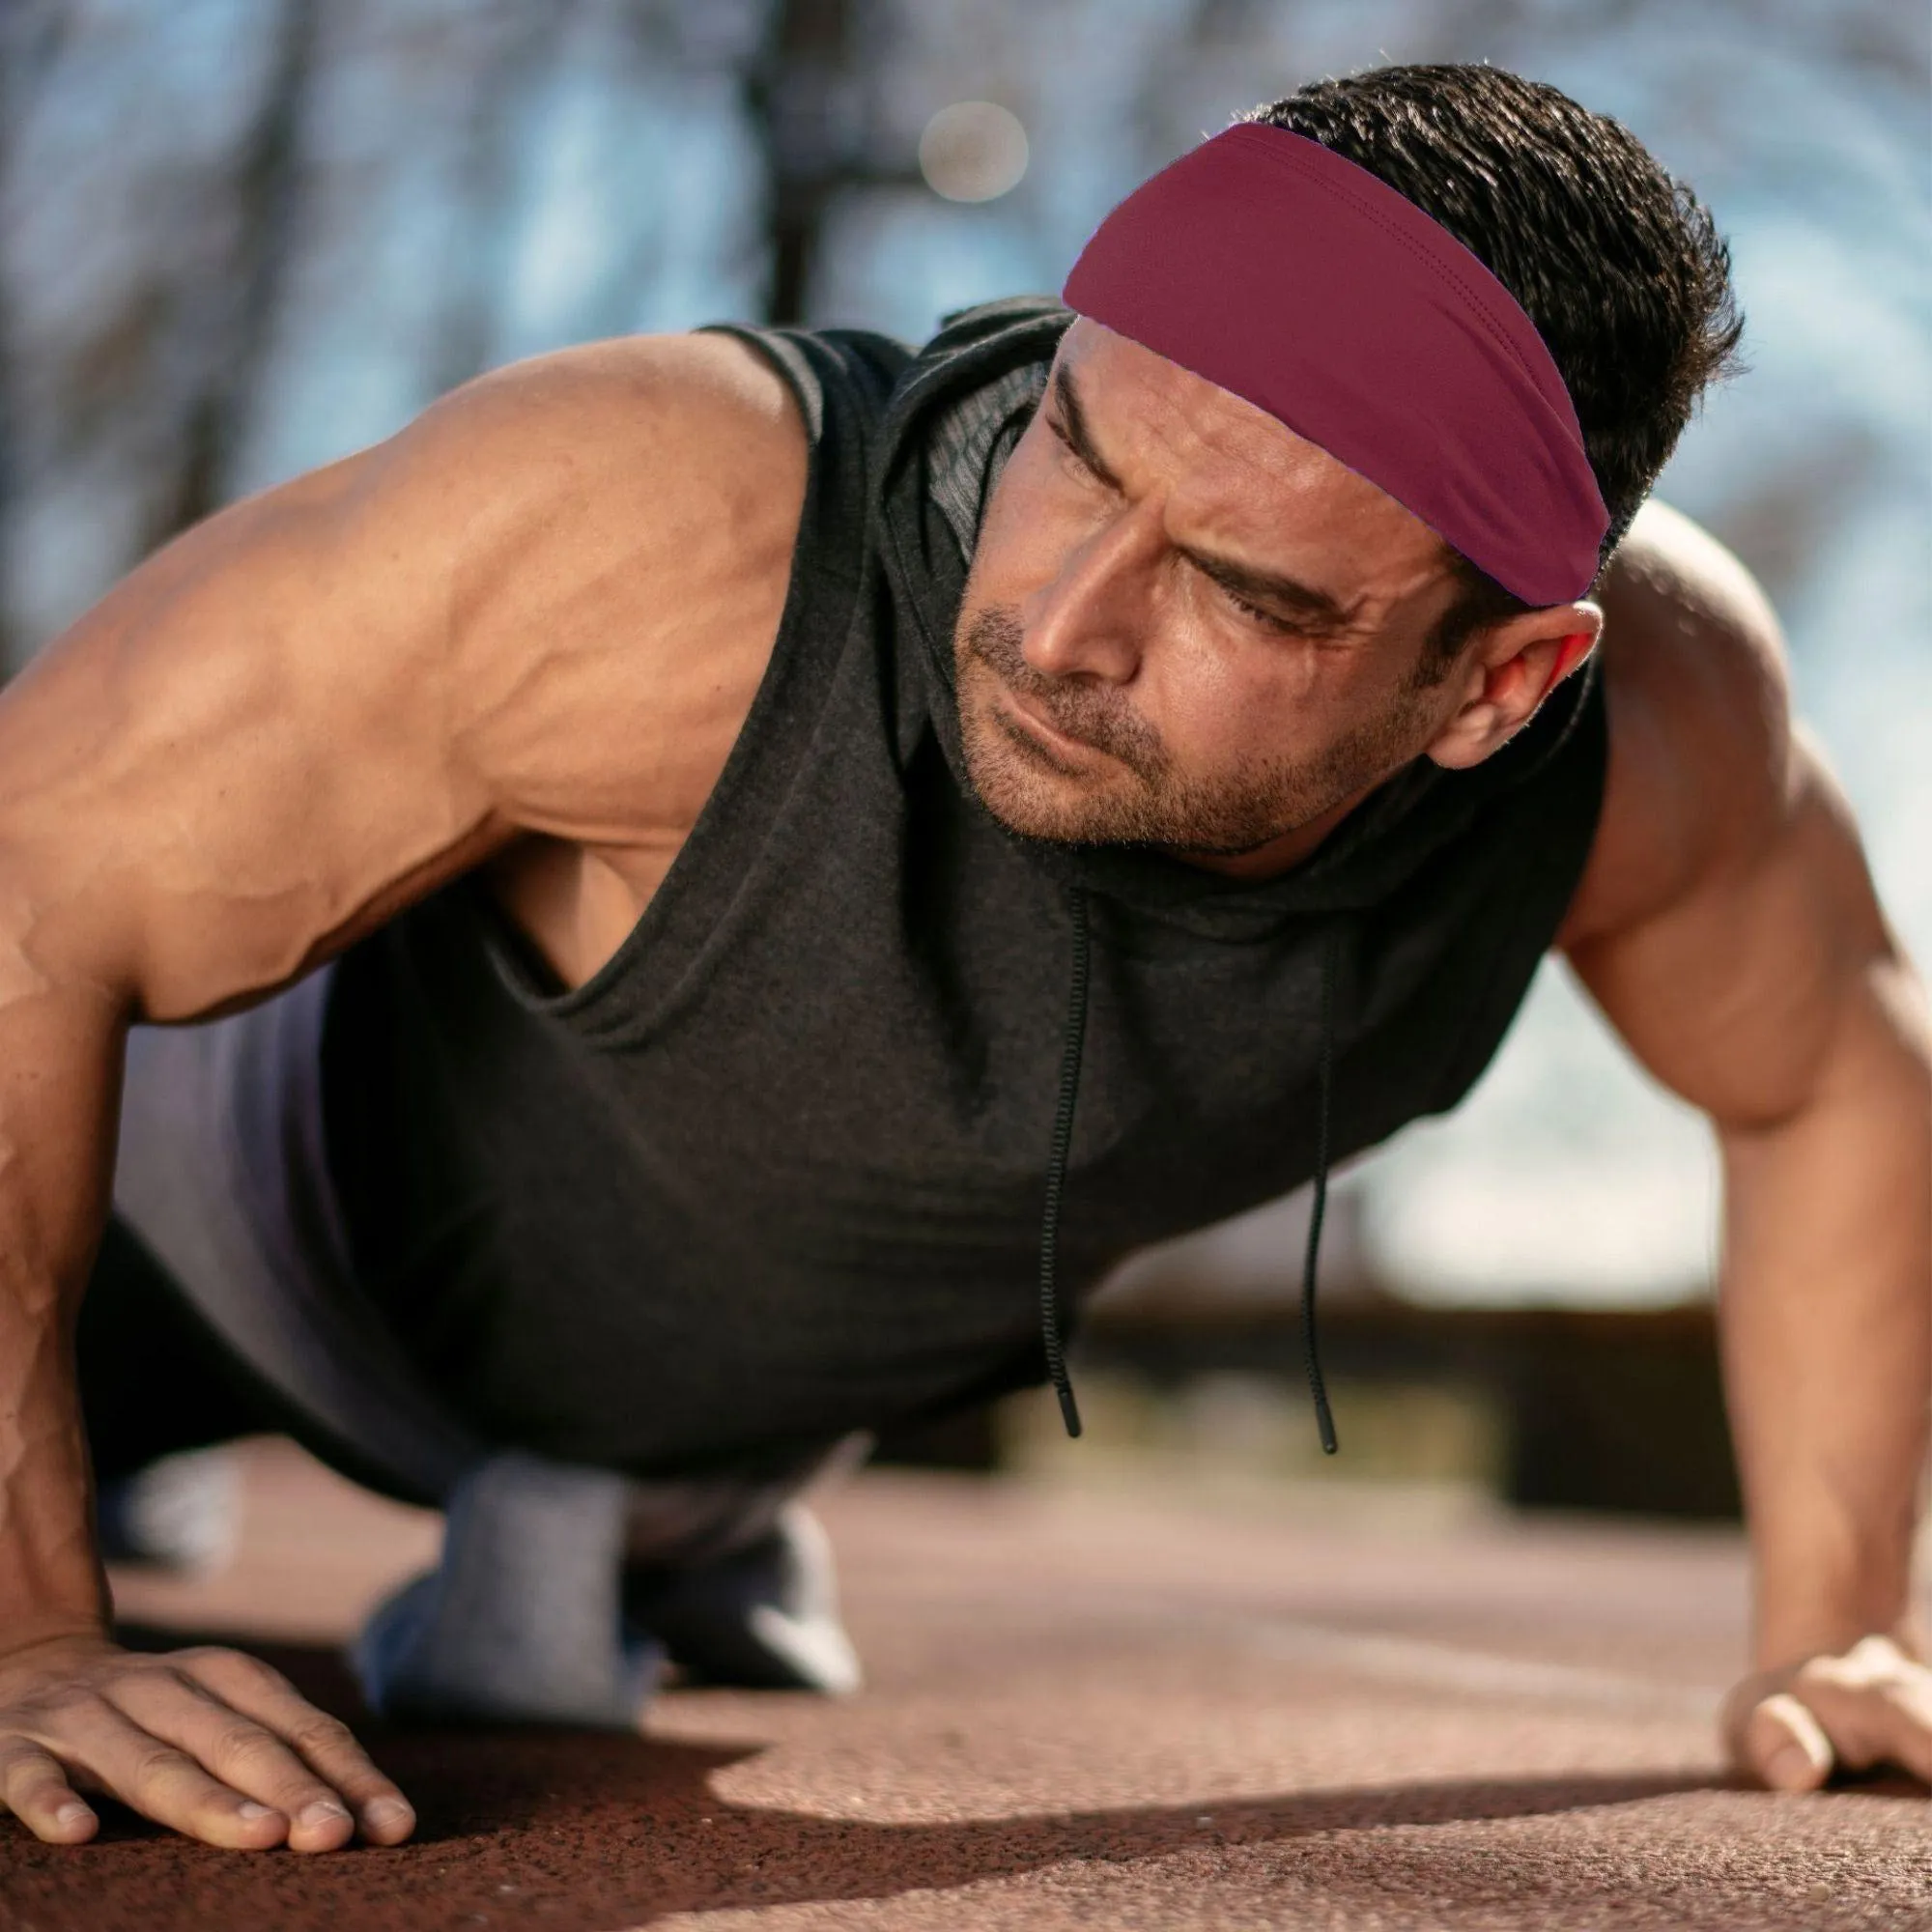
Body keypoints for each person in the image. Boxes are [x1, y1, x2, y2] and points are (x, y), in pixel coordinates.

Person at [1, 61, 1926, 1857]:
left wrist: (1833, 1627)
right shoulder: (658, 526)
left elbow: (1834, 1069)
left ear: (1500, 682)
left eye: (1245, 591)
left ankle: (640, 1517)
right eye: (1076, 455)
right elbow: (33, 867)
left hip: (698, 1433)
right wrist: (29, 1630)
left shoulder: (1659, 731)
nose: (1062, 619)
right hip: (205, 1239)